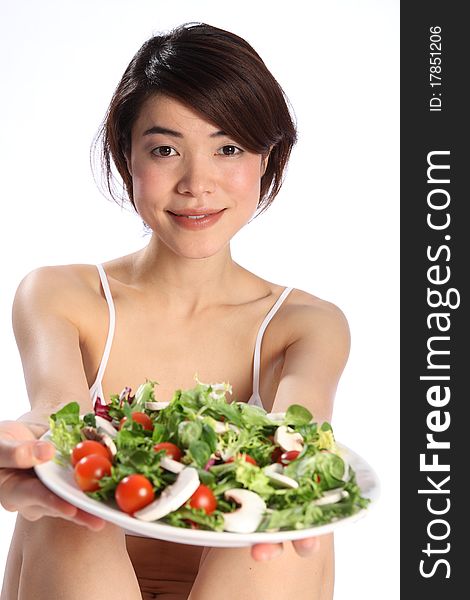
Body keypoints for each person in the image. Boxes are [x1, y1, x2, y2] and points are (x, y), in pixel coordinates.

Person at [0, 22, 349, 600]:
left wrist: (297, 468)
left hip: (241, 582)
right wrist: (26, 449)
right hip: (83, 579)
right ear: (126, 157)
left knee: (288, 515)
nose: (197, 183)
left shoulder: (304, 324)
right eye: (165, 150)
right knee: (69, 499)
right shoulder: (60, 295)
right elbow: (55, 414)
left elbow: (298, 437)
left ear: (267, 158)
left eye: (228, 148)